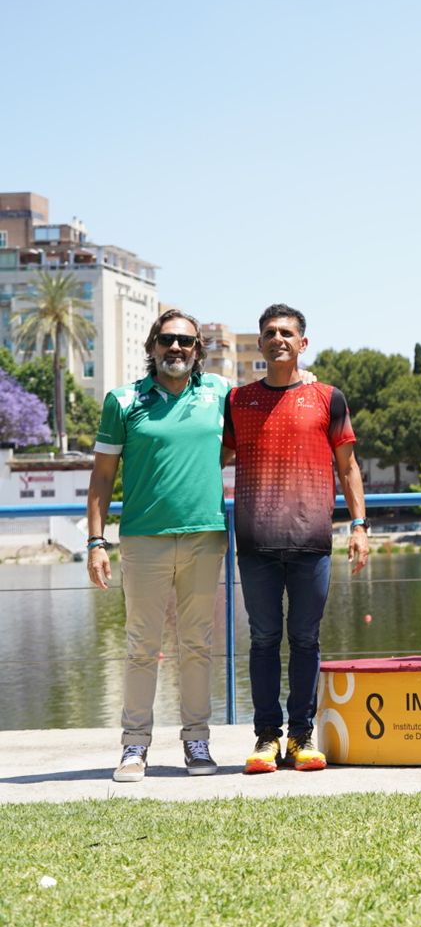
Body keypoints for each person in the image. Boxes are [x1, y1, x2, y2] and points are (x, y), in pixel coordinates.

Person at [224, 304, 369, 773]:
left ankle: (302, 737)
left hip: (312, 538)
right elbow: (212, 458)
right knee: (264, 640)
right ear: (261, 343)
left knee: (306, 639)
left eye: (287, 332)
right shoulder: (238, 400)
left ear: (302, 343)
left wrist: (360, 525)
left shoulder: (329, 397)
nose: (277, 338)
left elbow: (347, 467)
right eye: (269, 332)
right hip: (255, 542)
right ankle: (267, 737)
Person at [87, 309, 230, 782]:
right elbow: (102, 477)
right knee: (141, 647)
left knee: (197, 646)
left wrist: (306, 378)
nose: (176, 348)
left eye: (185, 342)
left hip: (205, 537)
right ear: (151, 346)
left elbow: (266, 409)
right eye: (167, 340)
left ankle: (197, 740)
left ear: (197, 351)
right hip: (143, 540)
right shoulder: (123, 401)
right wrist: (95, 541)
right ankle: (134, 746)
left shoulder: (220, 395)